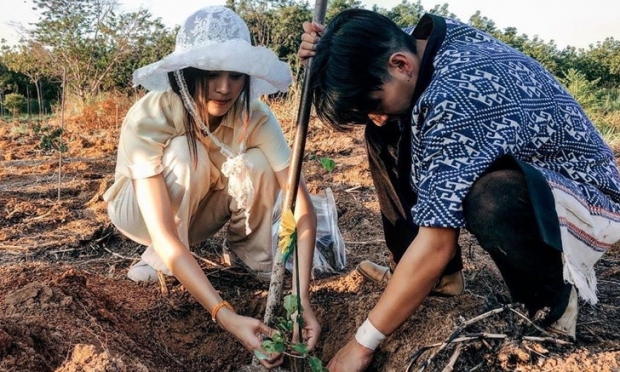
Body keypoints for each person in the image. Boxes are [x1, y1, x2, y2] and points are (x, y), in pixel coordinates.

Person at [298, 8, 620, 371]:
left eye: (372, 104)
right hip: (534, 173)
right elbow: (371, 45)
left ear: (401, 64)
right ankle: (437, 280)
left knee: (489, 199)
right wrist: (334, 48)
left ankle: (551, 309)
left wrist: (362, 344)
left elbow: (438, 241)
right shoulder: (419, 43)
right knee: (385, 130)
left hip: (583, 198)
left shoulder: (455, 96)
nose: (376, 114)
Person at [103, 6, 320, 369]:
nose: (225, 88)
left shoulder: (256, 116)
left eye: (236, 76)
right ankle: (156, 258)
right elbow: (166, 232)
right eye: (210, 74)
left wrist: (302, 300)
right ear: (188, 72)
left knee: (259, 163)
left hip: (199, 212)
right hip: (141, 214)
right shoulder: (151, 116)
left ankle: (255, 259)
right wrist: (225, 314)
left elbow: (301, 206)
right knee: (187, 155)